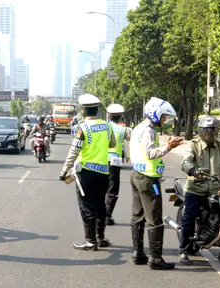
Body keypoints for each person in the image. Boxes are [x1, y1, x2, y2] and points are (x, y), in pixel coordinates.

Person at [129, 97, 184, 270]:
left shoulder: (138, 128)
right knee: (155, 219)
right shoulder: (149, 130)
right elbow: (151, 153)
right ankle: (156, 259)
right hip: (148, 179)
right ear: (155, 114)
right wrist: (168, 148)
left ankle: (138, 253)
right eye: (163, 117)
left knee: (137, 216)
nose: (164, 120)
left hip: (137, 175)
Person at [179, 116, 220, 265]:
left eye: (213, 131)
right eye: (207, 131)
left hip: (215, 188)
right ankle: (183, 250)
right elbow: (185, 161)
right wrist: (192, 170)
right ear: (201, 131)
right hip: (196, 188)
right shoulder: (193, 145)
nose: (210, 134)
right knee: (188, 217)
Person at [59, 94, 116, 251]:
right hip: (104, 173)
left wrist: (64, 170)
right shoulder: (107, 126)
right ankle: (101, 237)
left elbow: (74, 151)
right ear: (97, 110)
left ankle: (90, 241)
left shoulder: (82, 128)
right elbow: (112, 144)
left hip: (86, 173)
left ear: (84, 110)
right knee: (100, 205)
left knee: (86, 207)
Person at [105, 104, 131, 226]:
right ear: (120, 116)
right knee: (113, 189)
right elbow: (133, 138)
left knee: (101, 188)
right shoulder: (123, 129)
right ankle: (107, 215)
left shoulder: (104, 127)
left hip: (102, 160)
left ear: (109, 115)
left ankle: (100, 214)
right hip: (115, 162)